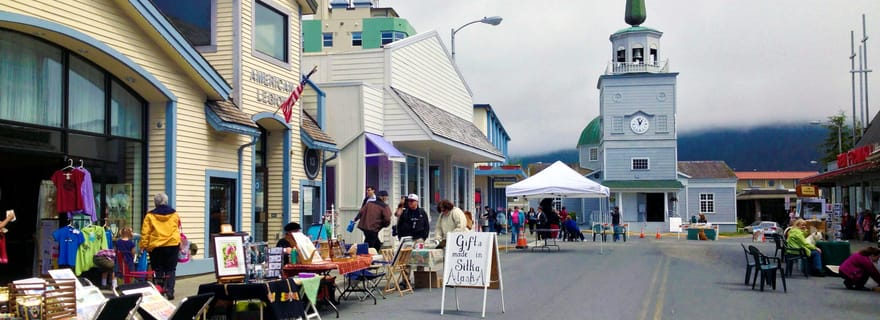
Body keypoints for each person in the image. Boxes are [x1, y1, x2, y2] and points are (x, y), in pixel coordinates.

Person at [139, 192, 181, 300]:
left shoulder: (150, 215)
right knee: (171, 269)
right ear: (166, 201)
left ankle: (160, 290)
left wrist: (143, 245)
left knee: (158, 269)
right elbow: (178, 228)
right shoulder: (174, 214)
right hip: (172, 244)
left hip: (156, 246)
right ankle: (170, 291)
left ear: (155, 203)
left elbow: (145, 232)